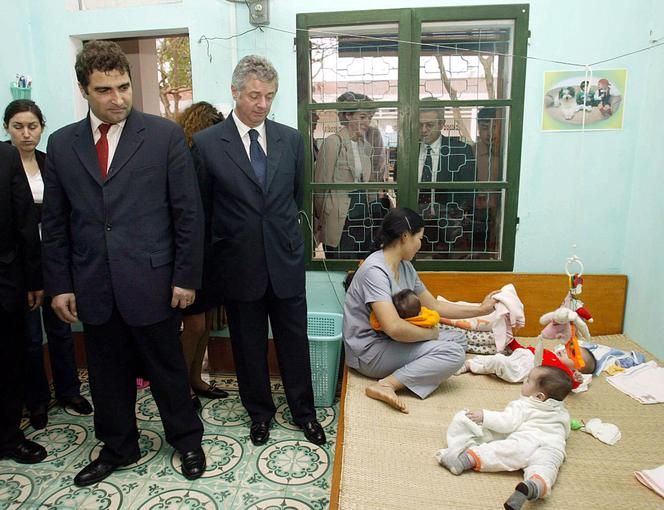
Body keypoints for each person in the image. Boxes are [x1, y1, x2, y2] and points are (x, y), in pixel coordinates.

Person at [41, 40, 205, 486]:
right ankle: (118, 446)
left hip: (152, 280)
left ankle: (188, 440)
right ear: (84, 90)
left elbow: (187, 213)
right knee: (107, 375)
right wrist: (59, 284)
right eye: (105, 90)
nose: (118, 99)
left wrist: (186, 276)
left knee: (167, 369)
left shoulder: (163, 135)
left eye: (124, 87)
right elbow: (55, 222)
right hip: (92, 283)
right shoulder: (61, 144)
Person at [192, 54, 326, 446]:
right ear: (235, 92)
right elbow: (202, 209)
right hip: (238, 265)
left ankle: (305, 413)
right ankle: (260, 414)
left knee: (294, 343)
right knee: (248, 347)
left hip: (284, 261)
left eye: (269, 96)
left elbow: (295, 198)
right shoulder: (206, 144)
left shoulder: (292, 139)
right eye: (254, 95)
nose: (262, 104)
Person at [342, 207, 497, 413]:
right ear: (405, 236)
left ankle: (424, 365)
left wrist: (481, 309)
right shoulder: (374, 270)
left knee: (458, 339)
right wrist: (430, 335)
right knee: (452, 353)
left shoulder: (405, 267)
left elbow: (435, 306)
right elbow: (394, 328)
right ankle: (386, 384)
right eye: (420, 238)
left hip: (391, 343)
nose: (420, 245)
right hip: (369, 352)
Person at [3, 99, 93, 430]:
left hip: (54, 261)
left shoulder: (48, 160)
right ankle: (37, 399)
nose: (26, 134)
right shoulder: (4, 163)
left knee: (61, 329)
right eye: (18, 127)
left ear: (41, 127)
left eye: (33, 126)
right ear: (6, 128)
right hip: (21, 269)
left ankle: (69, 390)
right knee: (29, 336)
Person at [436, 364, 574, 510]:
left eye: (528, 381)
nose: (524, 382)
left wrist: (485, 416)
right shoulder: (562, 412)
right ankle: (533, 486)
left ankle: (463, 461)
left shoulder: (524, 405)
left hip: (526, 441)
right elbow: (566, 432)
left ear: (539, 396)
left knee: (500, 450)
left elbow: (506, 423)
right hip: (554, 447)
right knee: (546, 469)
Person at [176, 101, 229, 410]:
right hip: (192, 251)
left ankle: (196, 378)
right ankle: (181, 384)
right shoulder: (189, 156)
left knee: (205, 322)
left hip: (211, 251)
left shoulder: (204, 155)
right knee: (194, 325)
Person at [0, 142, 47, 464]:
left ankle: (8, 437)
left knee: (7, 363)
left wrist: (34, 281)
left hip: (5, 282)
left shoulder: (6, 157)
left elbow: (25, 221)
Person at [314, 91, 376, 259]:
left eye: (369, 118)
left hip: (363, 217)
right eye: (362, 117)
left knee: (362, 267)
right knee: (341, 268)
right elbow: (320, 187)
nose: (367, 122)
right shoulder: (333, 143)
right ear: (348, 115)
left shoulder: (366, 147)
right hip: (340, 219)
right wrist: (325, 217)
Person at [417, 101, 475, 257]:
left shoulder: (461, 151)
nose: (423, 130)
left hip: (451, 226)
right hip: (415, 228)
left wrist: (456, 218)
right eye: (420, 124)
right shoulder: (408, 151)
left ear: (442, 123)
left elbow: (469, 193)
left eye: (429, 125)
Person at [457, 338, 597, 386]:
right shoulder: (548, 352)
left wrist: (575, 379)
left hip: (520, 371)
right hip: (517, 357)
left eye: (571, 356)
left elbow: (568, 385)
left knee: (499, 361)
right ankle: (470, 363)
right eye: (569, 349)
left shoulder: (561, 372)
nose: (565, 351)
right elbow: (524, 351)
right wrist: (512, 342)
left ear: (575, 369)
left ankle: (473, 367)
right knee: (497, 357)